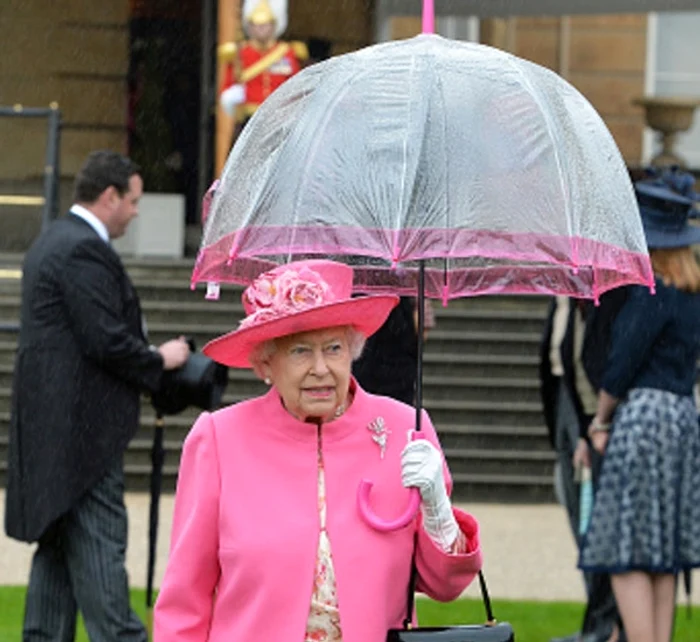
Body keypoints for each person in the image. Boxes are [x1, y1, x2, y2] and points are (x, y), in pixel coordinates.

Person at [154, 259, 482, 642]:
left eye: (334, 348)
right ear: (266, 361)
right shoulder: (219, 439)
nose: (321, 368)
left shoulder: (406, 430)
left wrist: (438, 512)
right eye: (300, 352)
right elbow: (184, 601)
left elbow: (445, 585)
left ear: (353, 351)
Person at [4, 150, 191, 642]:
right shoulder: (82, 248)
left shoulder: (54, 241)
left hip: (54, 434)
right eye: (132, 201)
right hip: (82, 440)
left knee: (57, 556)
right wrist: (161, 359)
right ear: (109, 197)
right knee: (103, 561)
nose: (134, 211)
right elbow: (104, 339)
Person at [579, 171, 700, 642]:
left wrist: (601, 418)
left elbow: (623, 361)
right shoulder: (692, 295)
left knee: (628, 544)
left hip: (644, 417)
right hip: (683, 418)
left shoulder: (650, 291)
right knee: (662, 547)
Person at [540, 297, 626, 642]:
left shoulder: (600, 306)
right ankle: (600, 624)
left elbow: (598, 363)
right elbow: (561, 358)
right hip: (572, 411)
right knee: (585, 527)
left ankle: (608, 627)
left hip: (598, 423)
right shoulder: (565, 303)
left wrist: (592, 427)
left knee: (601, 532)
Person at [219, 0, 307, 138]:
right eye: (256, 25)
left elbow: (295, 86)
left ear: (273, 26)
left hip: (278, 118)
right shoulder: (240, 53)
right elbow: (227, 87)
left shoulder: (286, 52)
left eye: (265, 25)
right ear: (250, 27)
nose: (260, 29)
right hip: (248, 120)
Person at [353, 296, 435, 405]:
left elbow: (422, 330)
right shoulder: (409, 291)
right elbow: (422, 331)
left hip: (389, 371)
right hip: (392, 372)